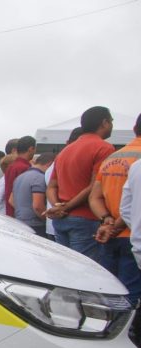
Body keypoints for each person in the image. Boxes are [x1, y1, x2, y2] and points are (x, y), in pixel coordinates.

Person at [47, 106, 115, 261]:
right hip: (85, 218)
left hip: (61, 220)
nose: (111, 125)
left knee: (66, 267)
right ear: (104, 122)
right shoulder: (104, 148)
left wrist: (58, 206)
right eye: (111, 121)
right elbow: (94, 187)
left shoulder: (65, 150)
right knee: (86, 271)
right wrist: (67, 207)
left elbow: (51, 186)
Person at [90, 113, 141, 306]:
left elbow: (94, 197)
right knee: (131, 295)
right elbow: (129, 206)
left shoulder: (113, 156)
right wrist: (116, 225)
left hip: (108, 233)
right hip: (130, 233)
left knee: (109, 292)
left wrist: (107, 221)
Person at [44, 128, 83, 240]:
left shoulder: (56, 163)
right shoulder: (63, 162)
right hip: (67, 219)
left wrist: (57, 207)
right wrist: (62, 208)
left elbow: (51, 188)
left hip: (55, 221)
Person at [10, 153, 55, 236]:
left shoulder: (20, 177)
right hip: (35, 225)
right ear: (49, 165)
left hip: (19, 222)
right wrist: (48, 220)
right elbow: (37, 206)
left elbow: (11, 201)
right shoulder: (39, 178)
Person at [3, 136, 37, 217]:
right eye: (35, 149)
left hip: (10, 213)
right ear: (31, 149)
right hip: (21, 216)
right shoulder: (24, 168)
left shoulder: (11, 166)